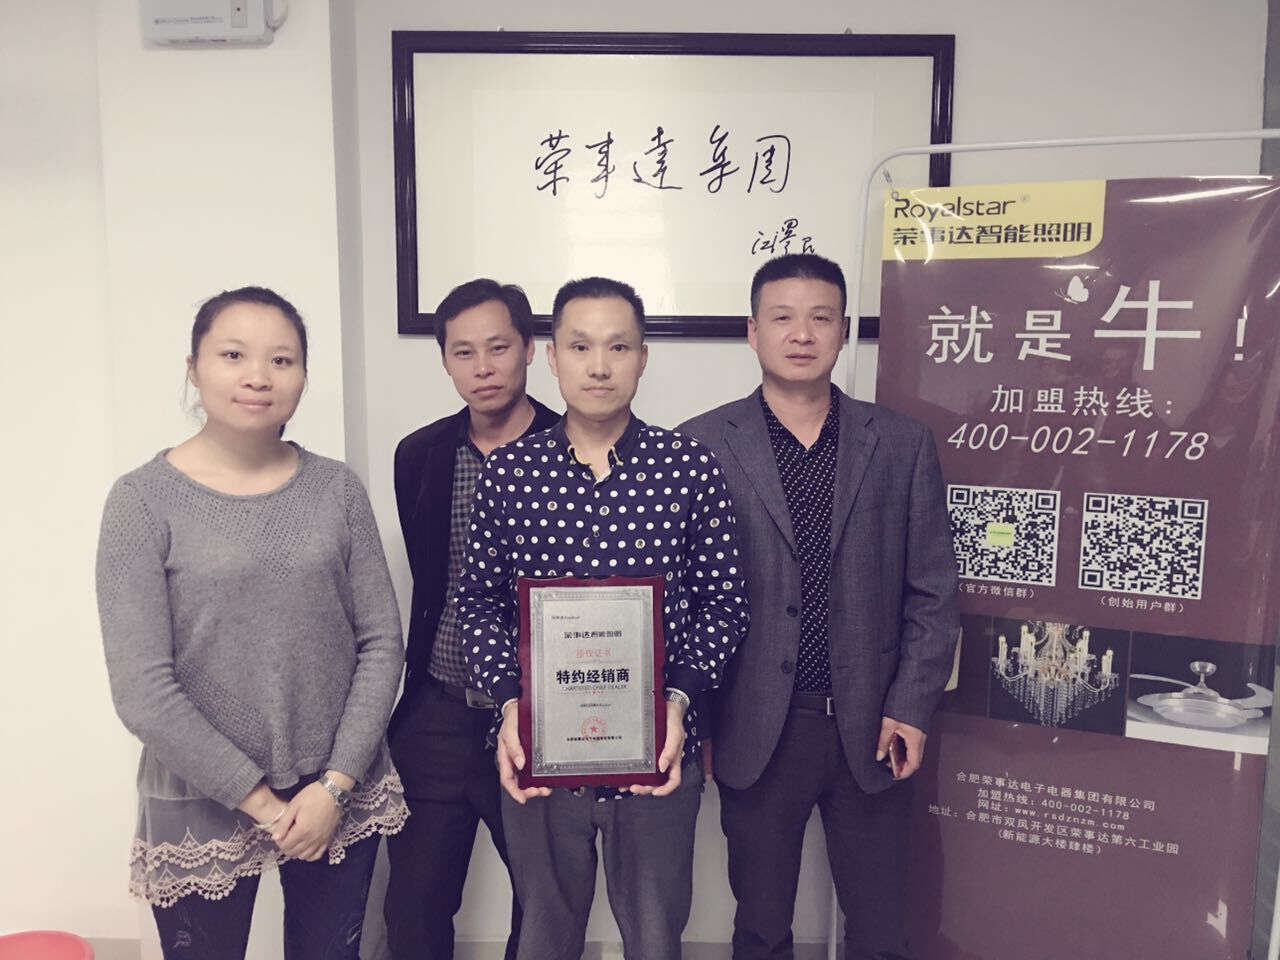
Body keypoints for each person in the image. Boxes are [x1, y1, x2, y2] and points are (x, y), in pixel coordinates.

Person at [95, 286, 408, 960]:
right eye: (233, 355)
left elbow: (381, 643)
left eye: (282, 359)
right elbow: (142, 690)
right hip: (201, 789)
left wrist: (334, 787)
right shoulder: (141, 501)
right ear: (194, 367)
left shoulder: (336, 488)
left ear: (303, 375)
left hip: (336, 783)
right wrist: (264, 803)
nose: (258, 377)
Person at [456, 276, 750, 960]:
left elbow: (725, 602)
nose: (598, 366)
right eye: (580, 346)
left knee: (655, 938)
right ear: (551, 357)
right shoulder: (510, 474)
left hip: (657, 751)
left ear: (643, 357)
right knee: (544, 935)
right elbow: (478, 603)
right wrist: (510, 704)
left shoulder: (688, 468)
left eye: (618, 347)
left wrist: (678, 700)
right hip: (537, 752)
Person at [678, 254, 959, 960]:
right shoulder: (700, 446)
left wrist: (912, 706)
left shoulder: (901, 444)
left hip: (874, 726)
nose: (801, 334)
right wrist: (698, 720)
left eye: (820, 317)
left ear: (842, 331)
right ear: (753, 331)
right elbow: (683, 601)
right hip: (755, 726)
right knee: (762, 925)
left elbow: (933, 592)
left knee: (879, 927)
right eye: (782, 317)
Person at [384, 279, 559, 959]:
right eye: (464, 352)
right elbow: (431, 581)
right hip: (440, 709)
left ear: (530, 350)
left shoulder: (572, 447)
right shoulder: (419, 455)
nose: (483, 367)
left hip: (541, 714)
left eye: (498, 347)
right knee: (414, 905)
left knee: (545, 903)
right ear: (445, 362)